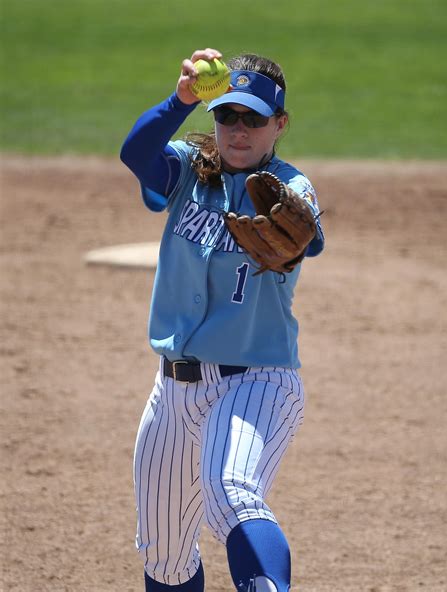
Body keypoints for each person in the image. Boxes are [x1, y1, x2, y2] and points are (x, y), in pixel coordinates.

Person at [120, 47, 324, 592]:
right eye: (228, 114)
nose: (238, 129)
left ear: (279, 125)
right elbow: (136, 151)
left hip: (256, 381)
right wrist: (180, 99)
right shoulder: (189, 168)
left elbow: (307, 231)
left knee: (231, 488)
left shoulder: (290, 187)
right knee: (163, 552)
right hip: (172, 393)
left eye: (253, 119)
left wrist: (289, 250)